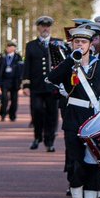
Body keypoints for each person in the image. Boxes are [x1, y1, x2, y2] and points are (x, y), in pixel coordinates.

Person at [48, 25, 100, 198]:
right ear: (72, 44)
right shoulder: (68, 63)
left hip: (94, 119)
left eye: (83, 42)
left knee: (93, 163)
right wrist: (70, 60)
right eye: (76, 41)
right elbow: (51, 78)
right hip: (73, 118)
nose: (79, 44)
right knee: (76, 161)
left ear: (90, 45)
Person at [23, 16, 66, 152]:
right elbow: (27, 65)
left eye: (47, 26)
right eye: (43, 26)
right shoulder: (31, 45)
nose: (45, 28)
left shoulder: (58, 43)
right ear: (39, 28)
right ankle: (37, 137)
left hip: (52, 86)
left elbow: (63, 64)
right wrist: (26, 84)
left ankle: (49, 141)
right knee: (36, 111)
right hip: (36, 86)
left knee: (52, 114)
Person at [0, 41, 23, 121]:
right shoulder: (3, 57)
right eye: (8, 46)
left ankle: (12, 115)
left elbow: (21, 69)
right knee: (4, 98)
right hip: (5, 80)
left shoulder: (18, 57)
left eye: (11, 46)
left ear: (14, 48)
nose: (9, 48)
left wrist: (21, 82)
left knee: (14, 99)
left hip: (14, 81)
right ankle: (3, 113)